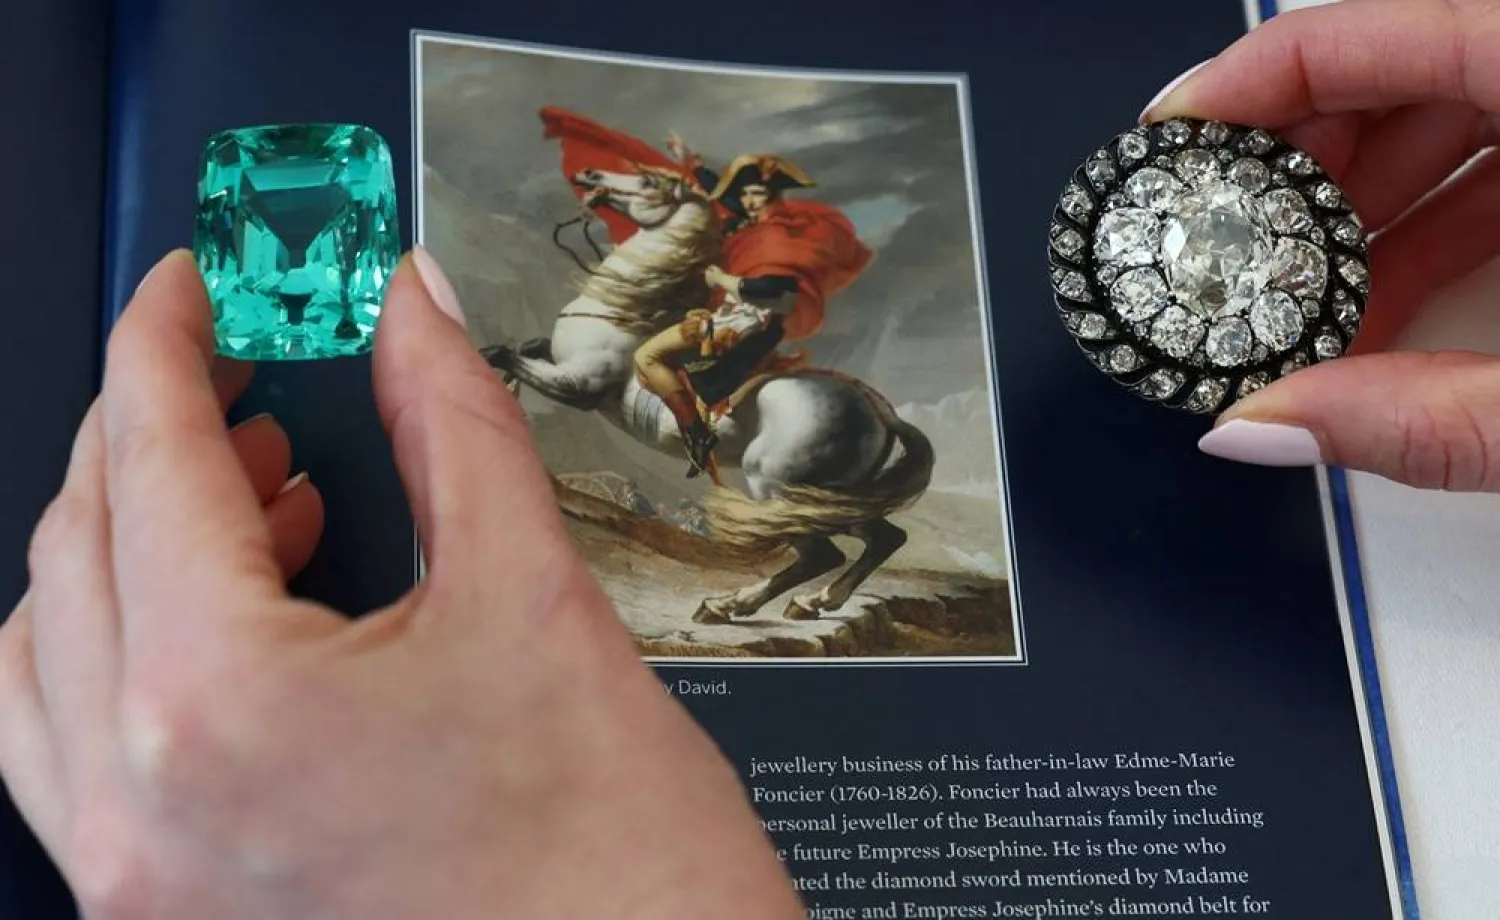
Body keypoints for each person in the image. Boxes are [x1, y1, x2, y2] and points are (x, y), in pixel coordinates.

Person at [5, 1, 1500, 915]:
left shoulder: (751, 271)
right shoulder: (688, 238)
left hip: (698, 365)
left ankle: (745, 465)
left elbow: (677, 274)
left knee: (630, 366)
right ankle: (811, 520)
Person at [632, 135, 872, 477]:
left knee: (646, 356)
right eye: (745, 194)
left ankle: (697, 435)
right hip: (736, 315)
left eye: (756, 194)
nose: (747, 200)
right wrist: (691, 160)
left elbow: (778, 291)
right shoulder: (753, 224)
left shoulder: (778, 234)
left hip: (747, 324)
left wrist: (724, 281)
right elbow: (723, 194)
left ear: (771, 195)